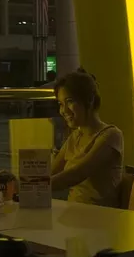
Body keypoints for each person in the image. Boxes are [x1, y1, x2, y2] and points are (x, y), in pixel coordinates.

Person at [51, 69, 124, 207]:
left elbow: (78, 173)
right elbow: (51, 172)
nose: (64, 110)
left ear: (89, 100)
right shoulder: (75, 137)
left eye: (70, 101)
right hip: (75, 214)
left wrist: (32, 187)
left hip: (101, 218)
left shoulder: (111, 135)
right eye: (61, 104)